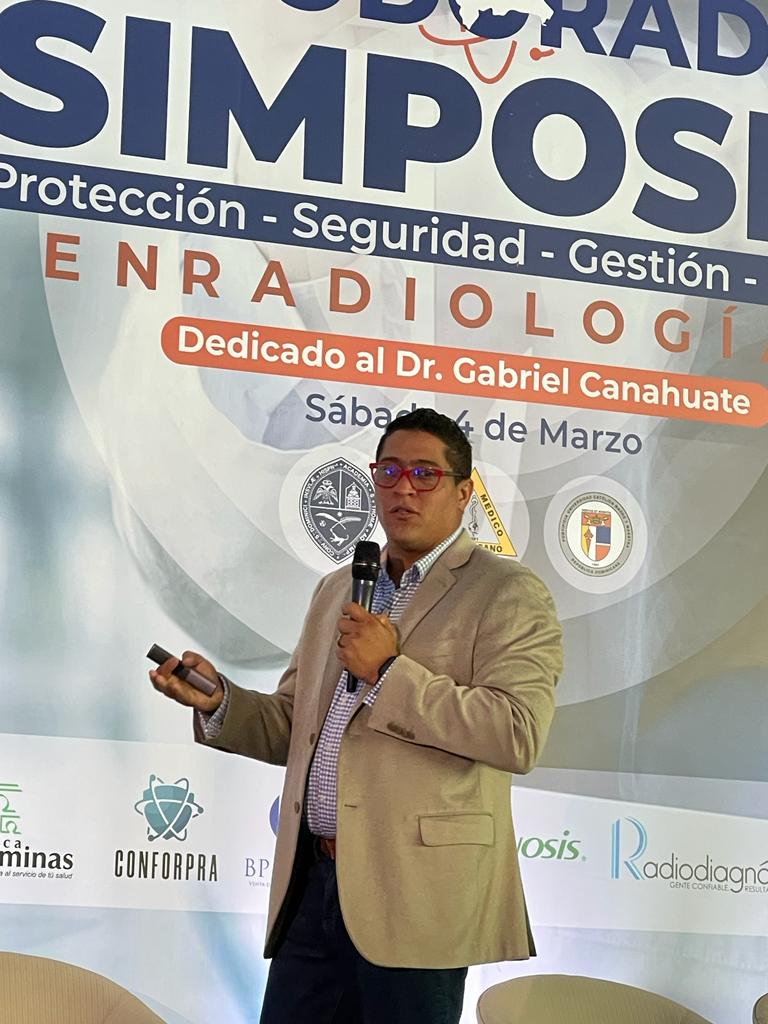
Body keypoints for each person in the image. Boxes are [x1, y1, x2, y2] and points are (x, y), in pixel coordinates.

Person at [150, 408, 563, 1024]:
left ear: (463, 492)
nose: (403, 488)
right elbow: (296, 727)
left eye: (424, 473)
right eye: (389, 471)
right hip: (314, 884)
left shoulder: (506, 591)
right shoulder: (338, 588)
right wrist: (221, 702)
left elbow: (515, 733)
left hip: (416, 896)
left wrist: (389, 671)